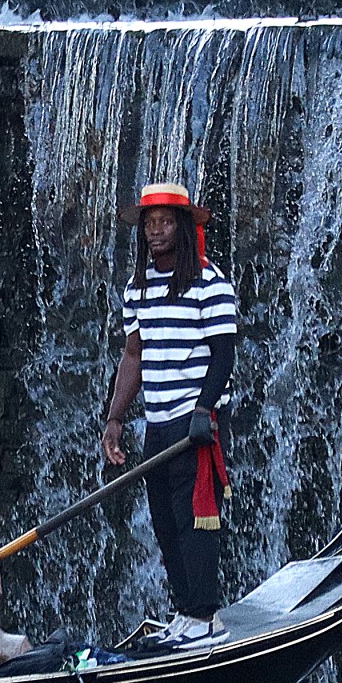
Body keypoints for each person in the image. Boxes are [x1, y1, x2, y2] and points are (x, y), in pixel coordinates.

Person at [101, 182, 239, 643]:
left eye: (164, 223)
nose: (156, 231)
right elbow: (133, 356)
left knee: (194, 520)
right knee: (163, 520)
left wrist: (205, 409)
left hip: (195, 424)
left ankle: (206, 617)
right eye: (149, 224)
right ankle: (185, 610)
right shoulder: (137, 288)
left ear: (182, 228)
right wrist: (116, 417)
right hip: (157, 424)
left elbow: (224, 353)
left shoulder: (210, 282)